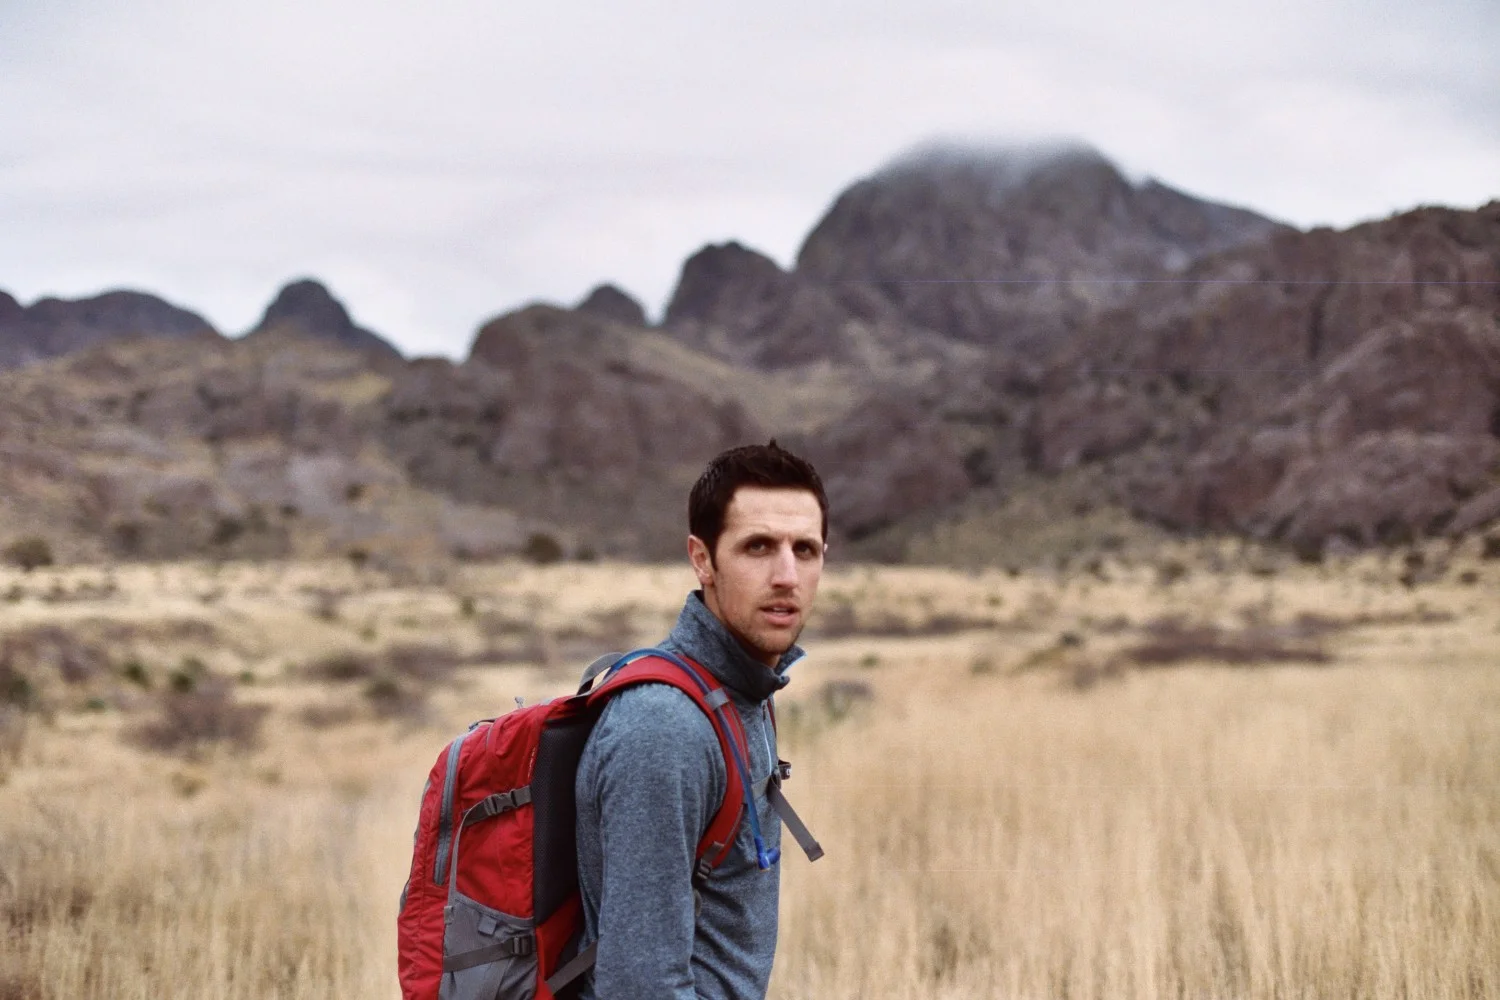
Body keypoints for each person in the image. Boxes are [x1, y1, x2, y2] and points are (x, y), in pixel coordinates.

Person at [573, 440, 828, 1000]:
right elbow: (640, 986)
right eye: (758, 546)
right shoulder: (664, 726)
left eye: (805, 550)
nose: (787, 575)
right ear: (702, 558)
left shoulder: (746, 692)